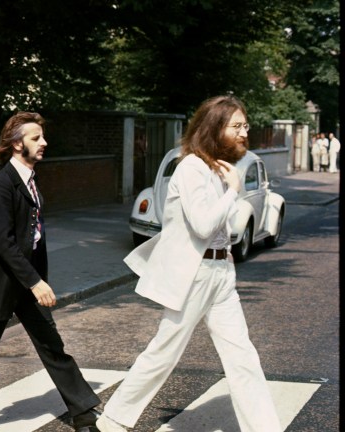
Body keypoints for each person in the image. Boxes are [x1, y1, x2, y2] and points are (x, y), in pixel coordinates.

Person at [96, 95, 280, 432]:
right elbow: (203, 225)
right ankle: (111, 421)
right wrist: (233, 191)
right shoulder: (192, 167)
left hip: (221, 272)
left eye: (245, 125)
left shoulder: (217, 168)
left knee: (243, 356)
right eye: (236, 126)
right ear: (214, 128)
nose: (244, 132)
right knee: (164, 352)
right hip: (195, 274)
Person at [0, 112, 103, 432]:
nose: (43, 143)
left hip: (26, 282)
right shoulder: (1, 184)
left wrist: (36, 280)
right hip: (1, 282)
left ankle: (83, 413)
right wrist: (35, 281)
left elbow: (34, 236)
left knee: (51, 345)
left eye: (42, 137)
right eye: (35, 138)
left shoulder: (30, 178)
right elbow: (3, 242)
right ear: (17, 144)